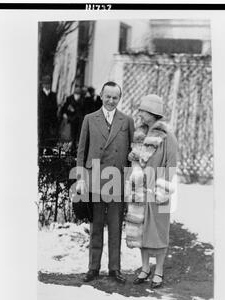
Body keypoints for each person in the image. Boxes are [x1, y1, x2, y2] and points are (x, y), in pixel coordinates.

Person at [76, 81, 134, 283]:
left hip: (116, 179)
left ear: (120, 99)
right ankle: (93, 268)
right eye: (107, 96)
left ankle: (114, 269)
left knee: (116, 226)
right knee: (96, 225)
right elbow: (82, 151)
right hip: (96, 179)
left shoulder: (127, 121)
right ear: (101, 96)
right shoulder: (90, 119)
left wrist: (128, 179)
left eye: (115, 97)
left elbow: (131, 154)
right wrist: (82, 178)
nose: (111, 101)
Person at [125, 94, 178, 288]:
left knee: (159, 231)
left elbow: (171, 165)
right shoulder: (139, 135)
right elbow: (134, 161)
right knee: (141, 230)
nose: (139, 114)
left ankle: (159, 271)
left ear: (153, 113)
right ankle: (145, 268)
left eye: (143, 111)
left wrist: (161, 188)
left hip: (158, 191)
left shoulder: (167, 137)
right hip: (140, 190)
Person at [61, 85, 84, 156]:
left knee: (78, 136)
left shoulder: (83, 99)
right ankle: (69, 150)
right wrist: (65, 113)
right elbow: (64, 108)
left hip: (80, 121)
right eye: (76, 93)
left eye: (78, 94)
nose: (77, 95)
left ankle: (76, 150)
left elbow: (84, 110)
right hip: (71, 120)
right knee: (70, 136)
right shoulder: (69, 98)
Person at [38, 75, 58, 154]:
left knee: (50, 137)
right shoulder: (39, 94)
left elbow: (55, 108)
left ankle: (49, 152)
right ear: (43, 84)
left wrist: (54, 121)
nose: (47, 85)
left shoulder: (53, 95)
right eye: (45, 84)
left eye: (49, 84)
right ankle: (40, 151)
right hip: (42, 120)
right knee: (41, 137)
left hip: (50, 120)